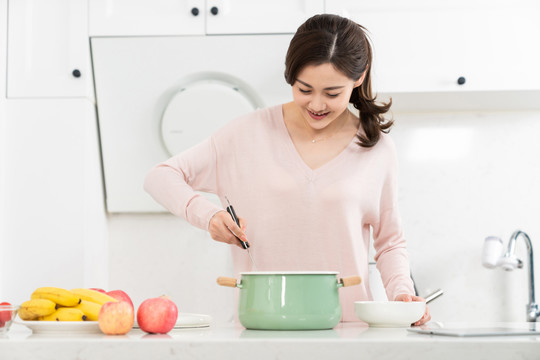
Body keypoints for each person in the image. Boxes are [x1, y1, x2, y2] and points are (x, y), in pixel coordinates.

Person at [144, 14, 430, 325]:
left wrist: (401, 292)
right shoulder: (246, 133)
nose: (317, 105)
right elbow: (160, 176)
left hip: (347, 331)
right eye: (304, 89)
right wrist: (208, 215)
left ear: (358, 78)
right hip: (260, 326)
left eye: (332, 93)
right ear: (289, 76)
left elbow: (389, 242)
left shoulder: (376, 148)